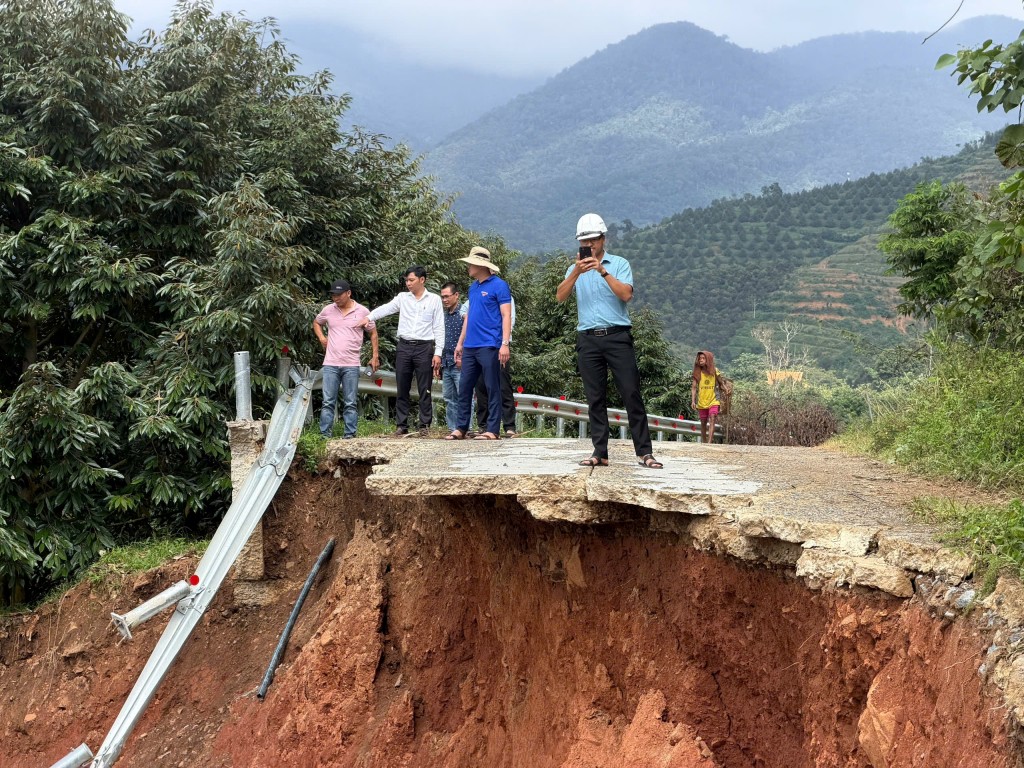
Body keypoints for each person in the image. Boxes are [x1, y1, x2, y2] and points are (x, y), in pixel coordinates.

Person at [555, 213, 663, 469]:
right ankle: (599, 451)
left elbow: (626, 295)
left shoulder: (619, 264)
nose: (589, 245)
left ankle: (644, 452)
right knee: (595, 397)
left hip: (617, 336)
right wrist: (576, 274)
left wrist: (602, 271)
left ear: (603, 239)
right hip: (588, 338)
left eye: (593, 240)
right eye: (584, 242)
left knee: (631, 392)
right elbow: (559, 296)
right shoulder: (575, 269)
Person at [363, 266, 444, 436]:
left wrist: (438, 352)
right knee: (402, 386)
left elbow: (439, 326)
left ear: (422, 280)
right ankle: (401, 425)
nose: (408, 283)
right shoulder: (402, 298)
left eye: (411, 280)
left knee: (425, 387)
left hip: (425, 347)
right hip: (404, 346)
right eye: (406, 280)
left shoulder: (434, 299)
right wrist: (369, 317)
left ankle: (424, 426)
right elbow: (386, 308)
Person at [446, 246, 512, 441]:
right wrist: (460, 343)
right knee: (465, 387)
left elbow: (506, 314)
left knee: (492, 387)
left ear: (480, 265)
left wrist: (505, 343)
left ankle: (492, 430)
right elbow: (470, 317)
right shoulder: (473, 287)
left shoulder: (499, 285)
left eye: (470, 263)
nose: (468, 267)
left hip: (490, 344)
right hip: (470, 346)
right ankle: (461, 428)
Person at [313, 279, 379, 438]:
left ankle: (350, 435)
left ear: (348, 293)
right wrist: (322, 338)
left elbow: (373, 332)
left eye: (339, 295)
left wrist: (375, 356)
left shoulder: (362, 311)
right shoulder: (329, 309)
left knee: (350, 403)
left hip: (351, 364)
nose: (336, 298)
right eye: (333, 295)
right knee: (328, 402)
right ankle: (324, 436)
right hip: (330, 363)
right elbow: (316, 322)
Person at [473, 295, 517, 436]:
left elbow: (509, 319)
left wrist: (504, 343)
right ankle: (484, 425)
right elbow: (466, 312)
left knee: (503, 385)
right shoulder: (476, 295)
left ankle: (509, 426)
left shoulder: (505, 297)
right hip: (480, 345)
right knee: (481, 386)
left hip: (498, 345)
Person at [439, 281, 464, 431]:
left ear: (456, 295)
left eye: (447, 296)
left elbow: (468, 336)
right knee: (449, 398)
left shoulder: (463, 314)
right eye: (442, 297)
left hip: (460, 361)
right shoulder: (443, 316)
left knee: (463, 396)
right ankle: (452, 429)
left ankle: (463, 428)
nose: (445, 300)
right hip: (446, 362)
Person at [691, 350, 722, 444]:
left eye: (703, 358)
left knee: (712, 417)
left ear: (708, 360)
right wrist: (693, 401)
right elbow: (693, 387)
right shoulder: (697, 373)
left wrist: (726, 389)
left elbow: (721, 383)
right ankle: (704, 442)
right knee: (703, 422)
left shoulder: (715, 371)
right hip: (702, 401)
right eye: (700, 358)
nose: (701, 360)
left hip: (713, 399)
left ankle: (709, 442)